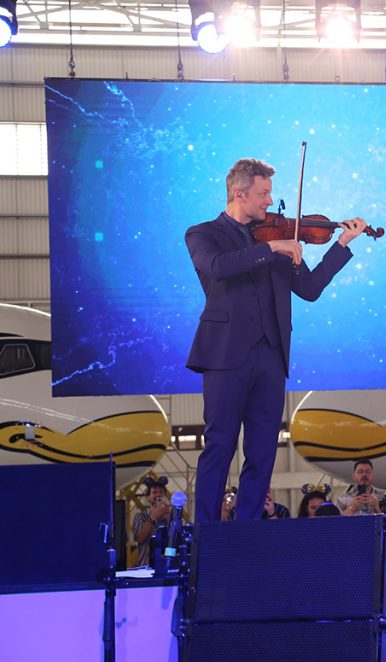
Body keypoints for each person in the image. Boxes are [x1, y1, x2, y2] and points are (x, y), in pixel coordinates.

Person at [185, 158, 368, 524]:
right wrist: (272, 249)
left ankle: (250, 533)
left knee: (263, 451)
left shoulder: (278, 238)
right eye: (263, 193)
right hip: (225, 357)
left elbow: (310, 289)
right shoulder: (203, 234)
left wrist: (343, 243)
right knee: (219, 445)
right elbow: (218, 267)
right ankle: (207, 535)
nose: (270, 202)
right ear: (239, 193)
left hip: (271, 357)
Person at [132, 476, 171, 567]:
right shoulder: (140, 517)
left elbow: (176, 537)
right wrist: (153, 517)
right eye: (154, 492)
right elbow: (139, 538)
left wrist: (169, 518)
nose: (158, 495)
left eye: (161, 492)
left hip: (166, 565)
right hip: (145, 565)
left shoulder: (169, 516)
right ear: (148, 497)